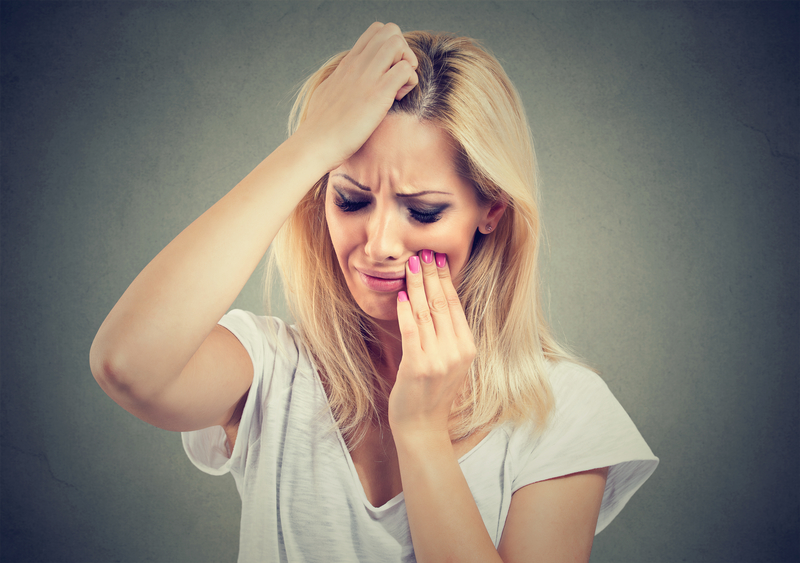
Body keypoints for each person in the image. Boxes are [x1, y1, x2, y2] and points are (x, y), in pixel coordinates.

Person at [90, 22, 658, 563]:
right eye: (351, 200)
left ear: (491, 210)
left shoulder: (563, 409)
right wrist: (311, 147)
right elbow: (126, 364)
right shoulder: (270, 369)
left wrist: (420, 430)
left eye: (423, 210)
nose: (381, 243)